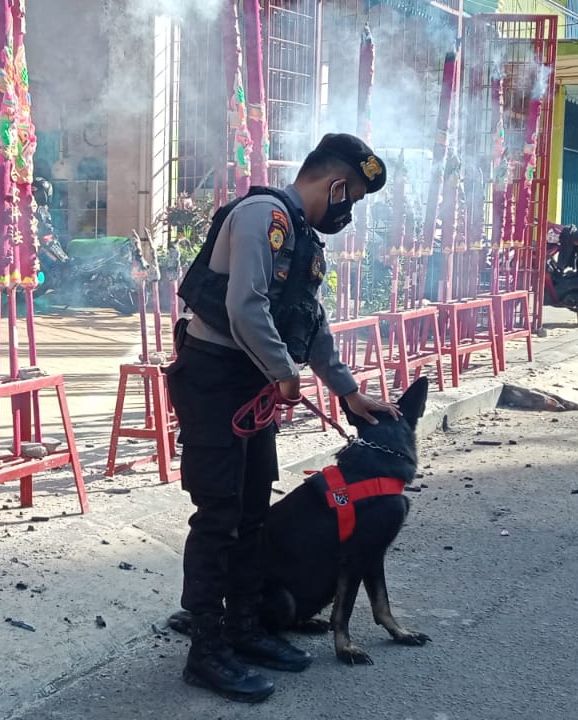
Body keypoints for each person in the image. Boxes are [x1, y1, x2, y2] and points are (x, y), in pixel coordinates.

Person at [167, 133, 402, 703]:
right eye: (351, 200)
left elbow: (308, 322)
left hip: (251, 382)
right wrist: (282, 371)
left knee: (252, 513)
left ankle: (244, 629)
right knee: (218, 515)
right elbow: (244, 306)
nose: (347, 212)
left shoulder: (301, 239)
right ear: (338, 186)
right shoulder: (262, 217)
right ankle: (206, 651)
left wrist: (348, 392)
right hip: (216, 380)